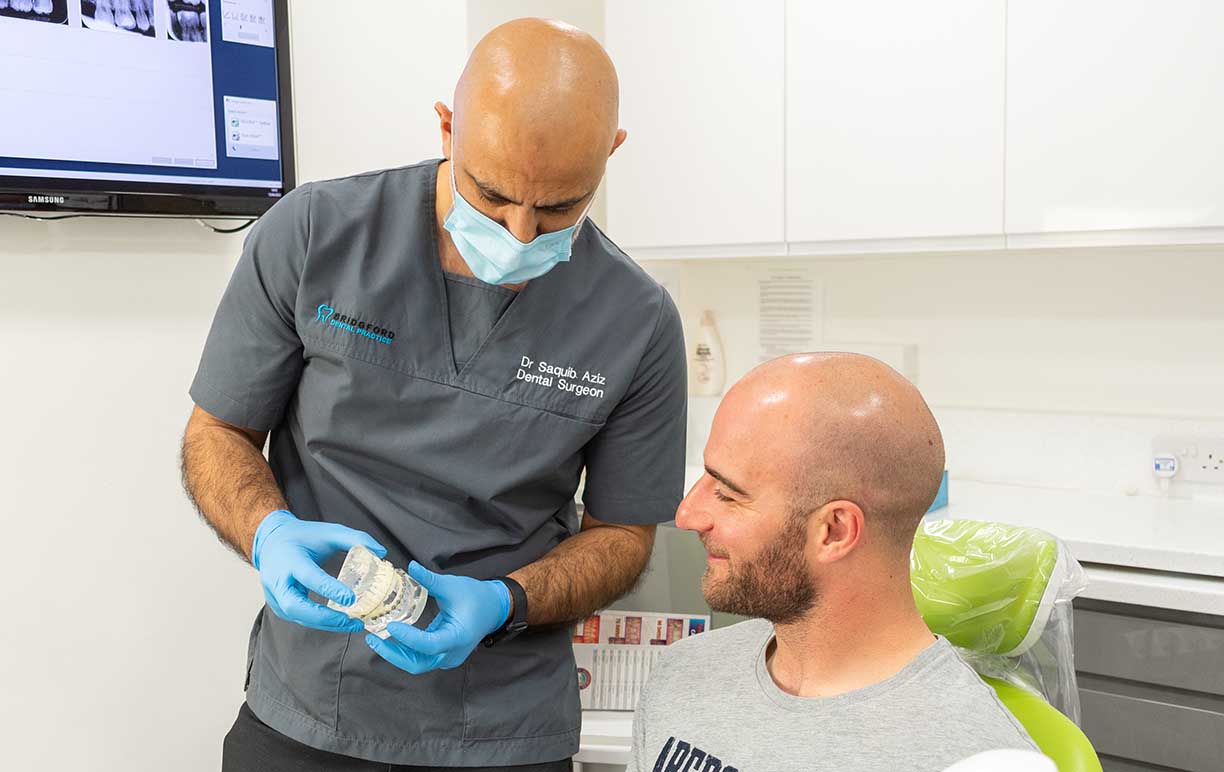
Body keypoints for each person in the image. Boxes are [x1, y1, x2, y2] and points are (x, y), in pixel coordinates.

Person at [181, 18, 686, 771]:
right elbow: (216, 432)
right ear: (448, 126)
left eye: (558, 209)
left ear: (611, 153)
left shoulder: (637, 323)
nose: (519, 234)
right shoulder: (315, 234)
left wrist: (505, 602)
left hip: (504, 728)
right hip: (311, 712)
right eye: (493, 196)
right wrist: (268, 533)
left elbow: (623, 536)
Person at [627, 354, 1039, 772]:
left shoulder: (974, 757)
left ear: (835, 531)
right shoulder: (682, 675)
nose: (686, 515)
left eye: (729, 494)